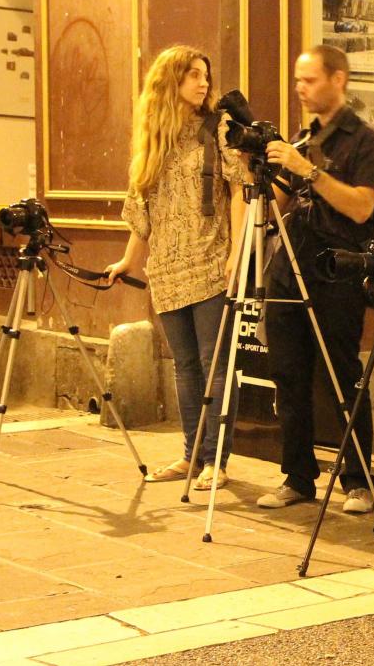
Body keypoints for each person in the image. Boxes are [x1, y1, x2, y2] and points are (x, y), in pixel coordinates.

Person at [255, 45, 374, 513]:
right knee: (288, 375)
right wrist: (265, 170)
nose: (300, 88)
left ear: (338, 79)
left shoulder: (367, 142)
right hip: (289, 269)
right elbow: (278, 203)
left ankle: (359, 480)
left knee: (341, 375)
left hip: (337, 271)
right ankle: (297, 477)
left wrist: (308, 171)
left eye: (309, 79)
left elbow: (361, 207)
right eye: (297, 79)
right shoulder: (300, 139)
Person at [108, 45, 245, 492]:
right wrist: (128, 261)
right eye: (193, 75)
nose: (203, 83)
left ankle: (216, 460)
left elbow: (239, 189)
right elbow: (141, 208)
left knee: (214, 364)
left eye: (205, 75)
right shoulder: (154, 136)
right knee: (185, 367)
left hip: (210, 260)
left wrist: (236, 252)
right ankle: (192, 454)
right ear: (171, 81)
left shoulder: (218, 127)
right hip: (166, 267)